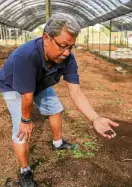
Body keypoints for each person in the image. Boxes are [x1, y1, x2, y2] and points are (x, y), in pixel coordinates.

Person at [0, 13, 119, 187]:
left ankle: (58, 143)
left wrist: (95, 118)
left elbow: (76, 91)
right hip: (14, 86)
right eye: (63, 46)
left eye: (71, 46)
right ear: (46, 37)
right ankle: (25, 172)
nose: (67, 52)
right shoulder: (26, 56)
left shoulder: (68, 56)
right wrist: (26, 120)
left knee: (55, 108)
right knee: (22, 130)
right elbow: (27, 95)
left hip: (40, 83)